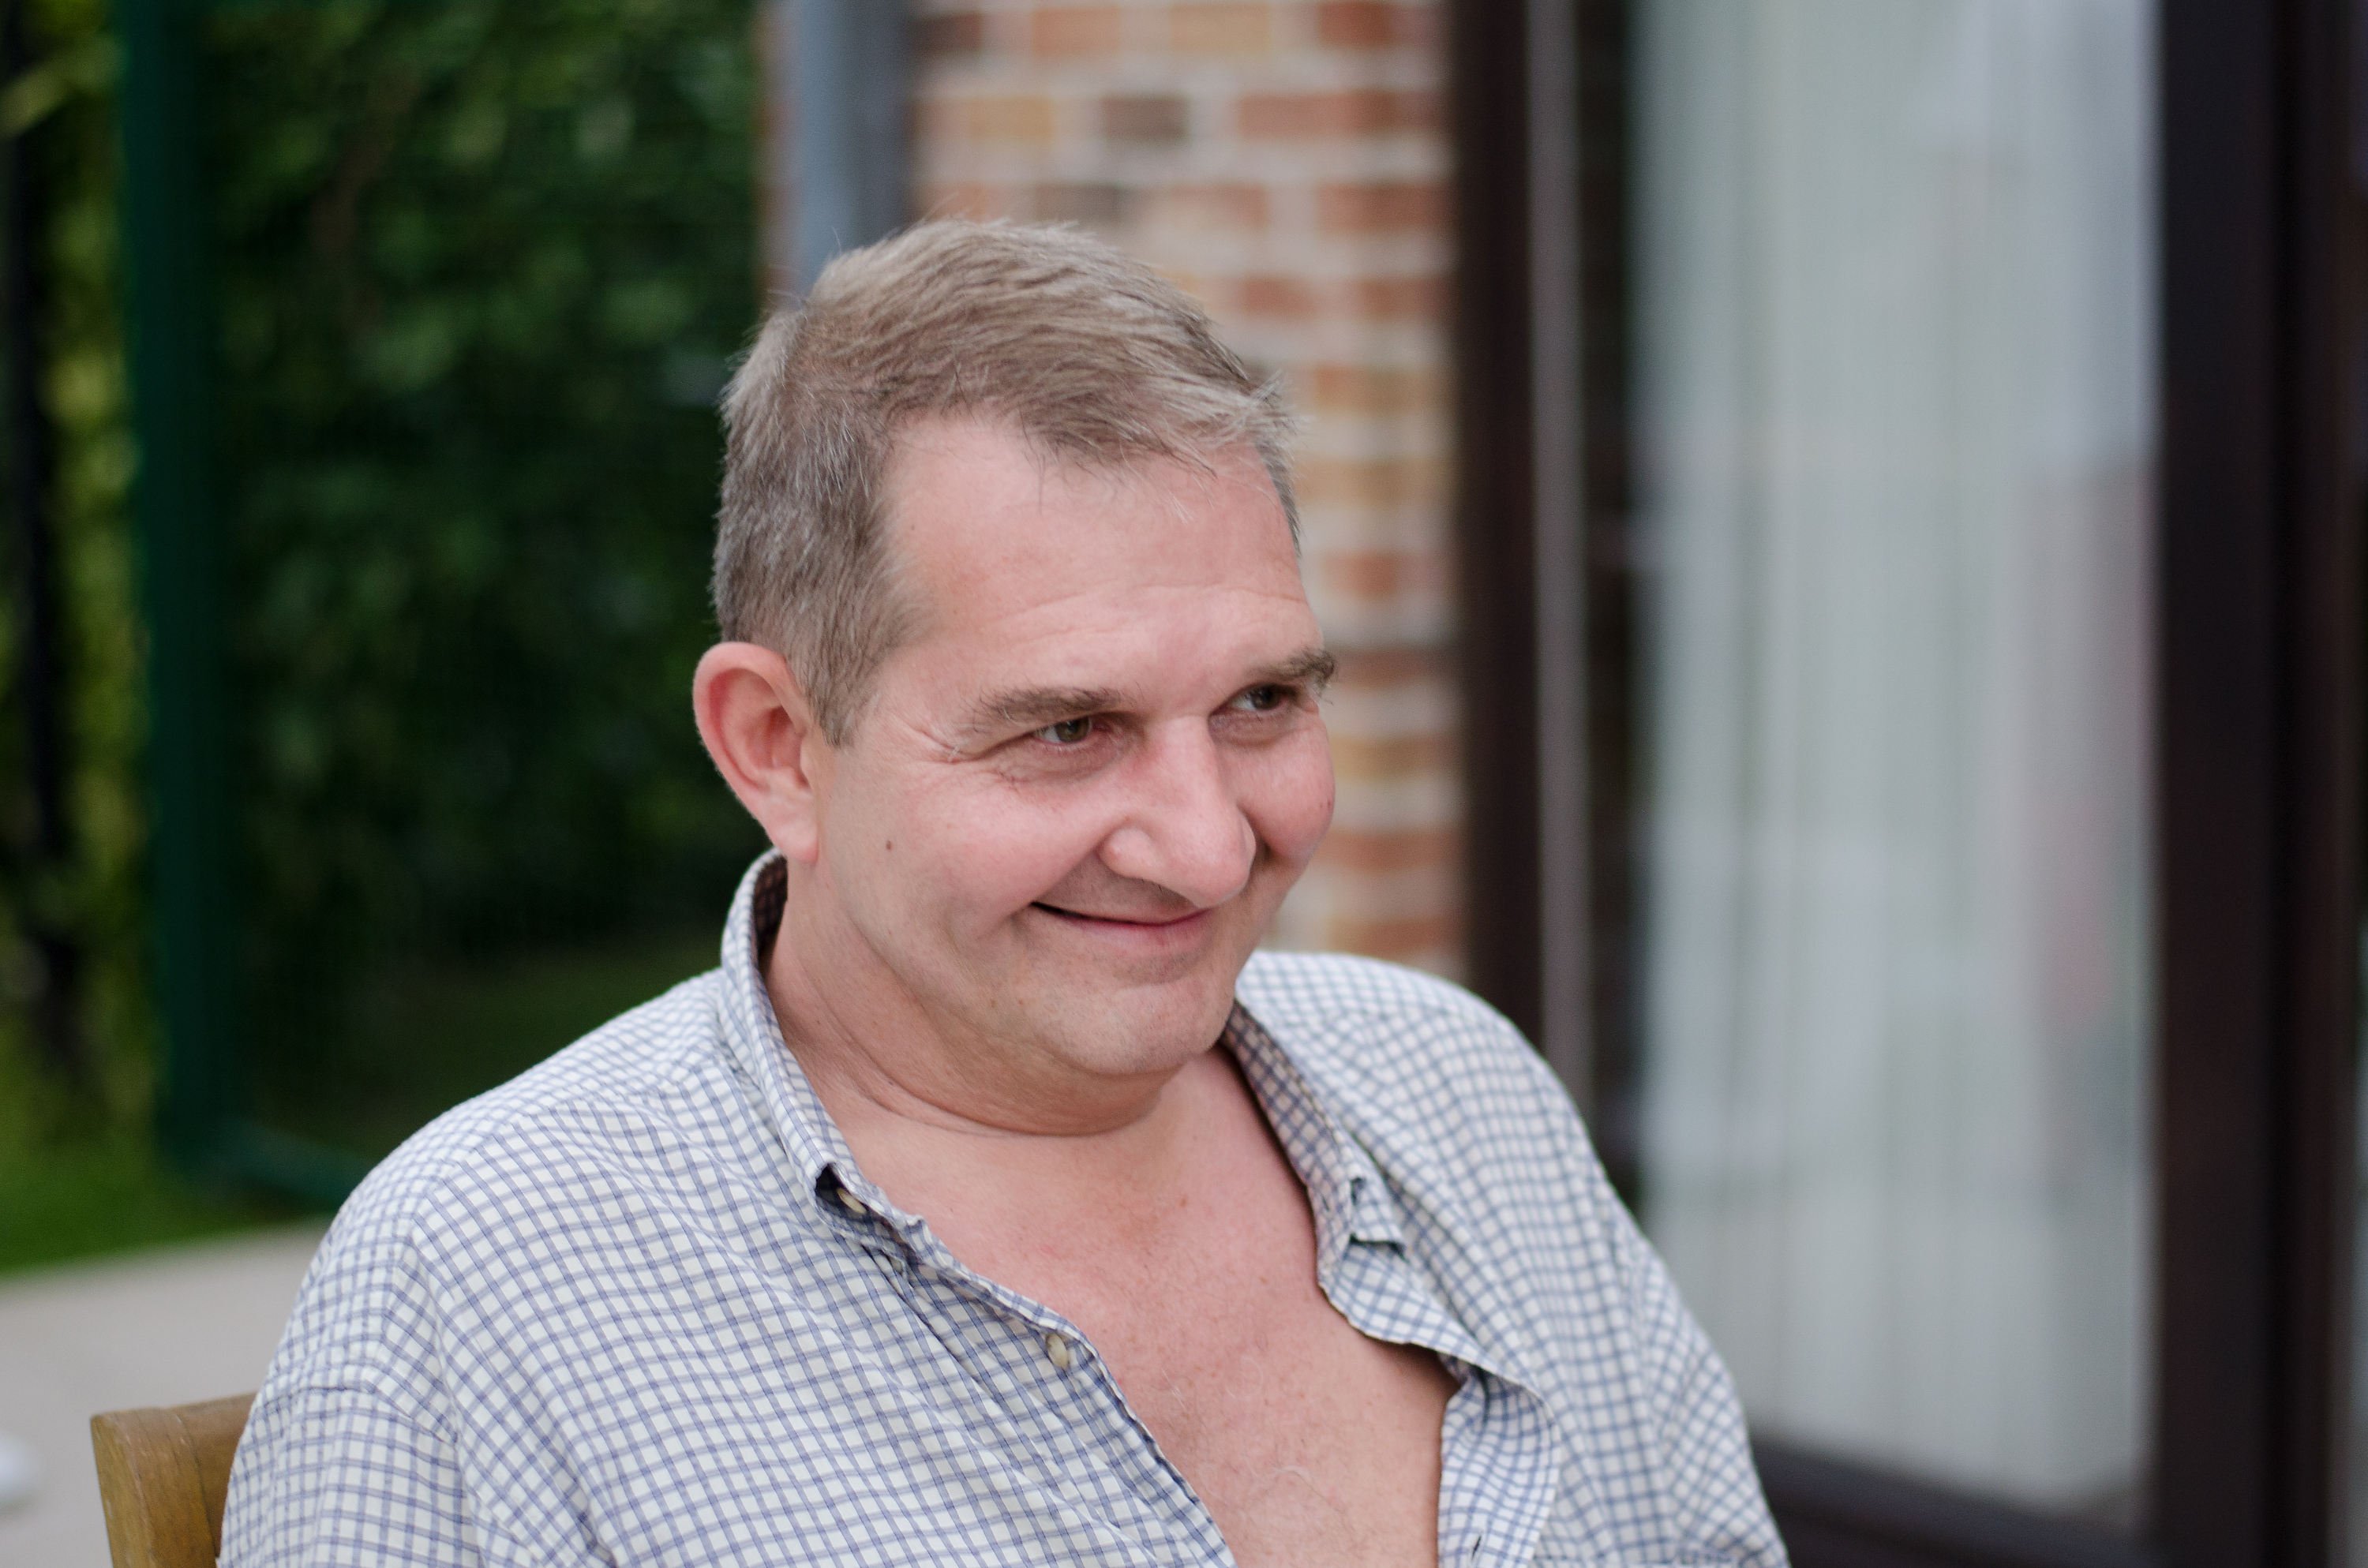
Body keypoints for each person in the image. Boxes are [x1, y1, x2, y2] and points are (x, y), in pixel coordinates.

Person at [220, 219, 1785, 1568]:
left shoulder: (1461, 1094)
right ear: (778, 747)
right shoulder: (485, 1285)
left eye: (1261, 702)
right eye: (1068, 729)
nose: (1206, 847)